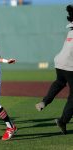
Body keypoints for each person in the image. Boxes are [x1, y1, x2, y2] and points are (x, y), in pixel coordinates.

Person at [36, 5, 73, 135]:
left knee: (60, 82)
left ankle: (44, 101)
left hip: (60, 62)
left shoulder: (70, 29)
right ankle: (63, 121)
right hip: (70, 65)